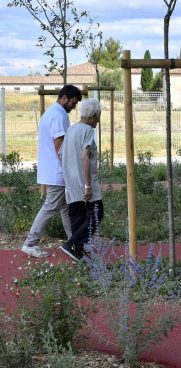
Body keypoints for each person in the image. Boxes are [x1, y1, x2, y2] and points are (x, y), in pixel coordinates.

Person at [22, 85, 82, 258]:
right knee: (51, 207)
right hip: (58, 171)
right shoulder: (57, 115)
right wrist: (70, 167)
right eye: (72, 102)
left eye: (76, 103)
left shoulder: (54, 112)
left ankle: (74, 242)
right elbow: (59, 144)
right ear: (64, 98)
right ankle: (30, 243)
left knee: (65, 208)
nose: (74, 106)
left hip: (55, 170)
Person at [59, 98, 103, 261]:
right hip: (85, 181)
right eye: (98, 118)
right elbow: (85, 157)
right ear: (92, 116)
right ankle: (71, 244)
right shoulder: (88, 131)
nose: (97, 121)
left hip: (70, 182)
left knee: (77, 216)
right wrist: (88, 185)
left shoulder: (71, 130)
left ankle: (77, 252)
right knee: (97, 213)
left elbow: (62, 154)